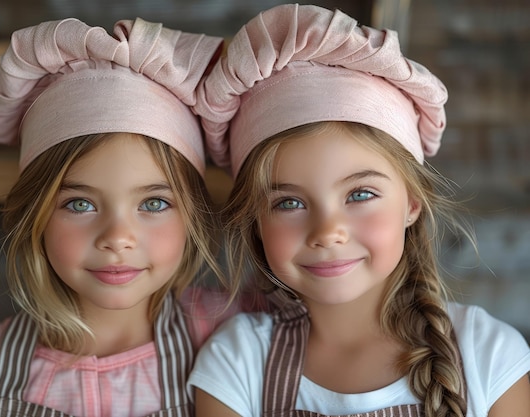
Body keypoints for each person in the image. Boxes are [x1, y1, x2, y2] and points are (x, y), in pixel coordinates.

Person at [188, 4, 530, 417]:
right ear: (255, 221)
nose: (327, 231)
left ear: (412, 202)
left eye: (360, 194)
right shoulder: (237, 362)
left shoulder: (488, 355)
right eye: (289, 202)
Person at [0, 17, 232, 417]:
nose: (118, 237)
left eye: (154, 203)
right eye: (80, 204)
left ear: (193, 212)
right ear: (35, 215)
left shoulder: (237, 339)